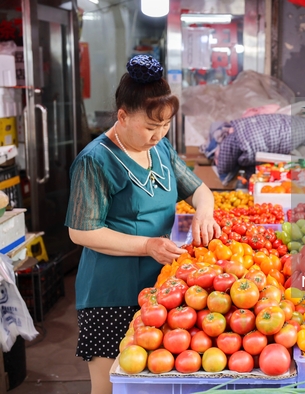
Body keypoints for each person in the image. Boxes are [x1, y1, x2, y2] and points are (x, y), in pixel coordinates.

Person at [65, 55, 220, 394]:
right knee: (111, 387)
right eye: (151, 127)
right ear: (122, 116)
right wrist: (147, 245)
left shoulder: (161, 149)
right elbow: (81, 231)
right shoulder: (95, 161)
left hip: (162, 288)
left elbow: (200, 190)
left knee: (155, 384)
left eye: (164, 126)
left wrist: (204, 212)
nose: (159, 134)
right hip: (110, 294)